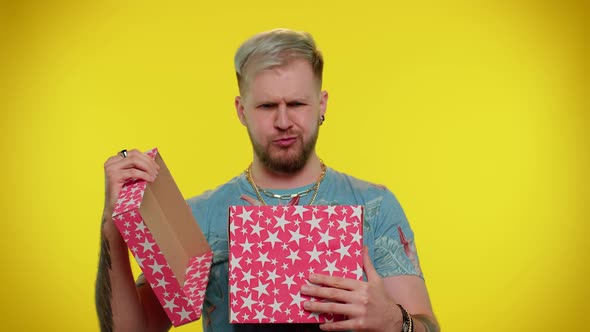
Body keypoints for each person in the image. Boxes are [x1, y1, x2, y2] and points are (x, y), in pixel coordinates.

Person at [96, 28, 439, 332]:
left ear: (321, 105)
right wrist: (113, 227)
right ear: (241, 110)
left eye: (297, 103)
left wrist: (396, 322)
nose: (283, 121)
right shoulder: (198, 217)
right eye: (266, 106)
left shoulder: (375, 206)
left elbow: (425, 325)